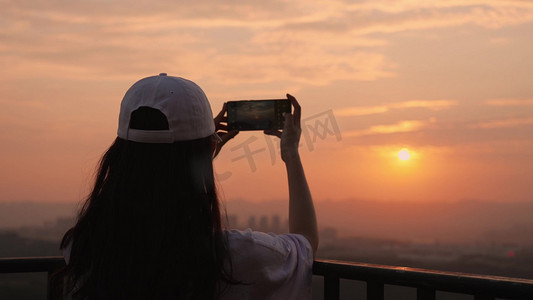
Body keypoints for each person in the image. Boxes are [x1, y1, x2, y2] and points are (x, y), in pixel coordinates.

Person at [57, 73, 318, 299]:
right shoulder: (237, 259)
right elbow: (305, 242)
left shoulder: (84, 249)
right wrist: (290, 154)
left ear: (120, 156)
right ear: (210, 147)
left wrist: (200, 152)